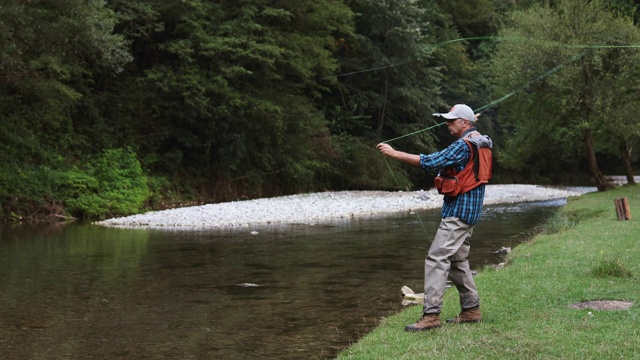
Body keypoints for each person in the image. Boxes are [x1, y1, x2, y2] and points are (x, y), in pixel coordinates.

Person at [376, 104, 493, 332]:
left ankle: (431, 316)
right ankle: (471, 311)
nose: (447, 125)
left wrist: (394, 153)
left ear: (465, 123)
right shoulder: (482, 140)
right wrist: (471, 124)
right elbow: (471, 139)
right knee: (457, 261)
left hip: (457, 213)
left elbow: (430, 161)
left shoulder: (462, 145)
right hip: (470, 213)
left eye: (452, 121)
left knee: (436, 258)